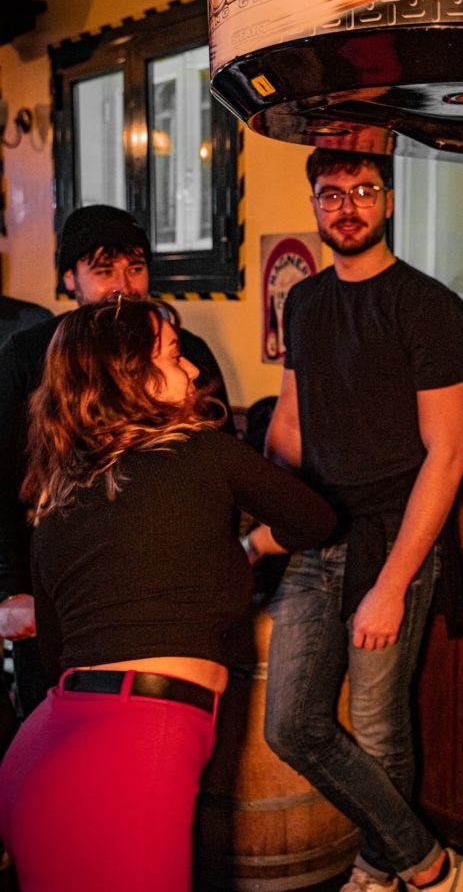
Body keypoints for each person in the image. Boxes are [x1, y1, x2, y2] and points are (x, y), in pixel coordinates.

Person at [0, 297, 336, 892]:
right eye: (175, 357)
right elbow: (315, 520)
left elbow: (56, 659)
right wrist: (253, 547)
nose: (192, 374)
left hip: (39, 753)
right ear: (134, 378)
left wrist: (238, 553)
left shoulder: (58, 504)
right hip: (137, 747)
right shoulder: (203, 450)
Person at [264, 149, 463, 892]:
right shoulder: (302, 302)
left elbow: (450, 453)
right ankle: (427, 863)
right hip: (314, 531)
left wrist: (391, 584)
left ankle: (378, 865)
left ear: (388, 200)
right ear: (316, 204)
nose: (347, 205)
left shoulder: (426, 304)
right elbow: (290, 422)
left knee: (379, 723)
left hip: (394, 536)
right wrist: (264, 512)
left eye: (363, 191)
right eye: (331, 193)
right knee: (292, 724)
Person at [0, 204, 234, 718]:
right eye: (103, 270)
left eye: (135, 267)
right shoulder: (27, 354)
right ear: (70, 279)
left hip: (165, 596)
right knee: (56, 736)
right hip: (60, 596)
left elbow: (223, 469)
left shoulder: (185, 352)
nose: (123, 285)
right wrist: (10, 590)